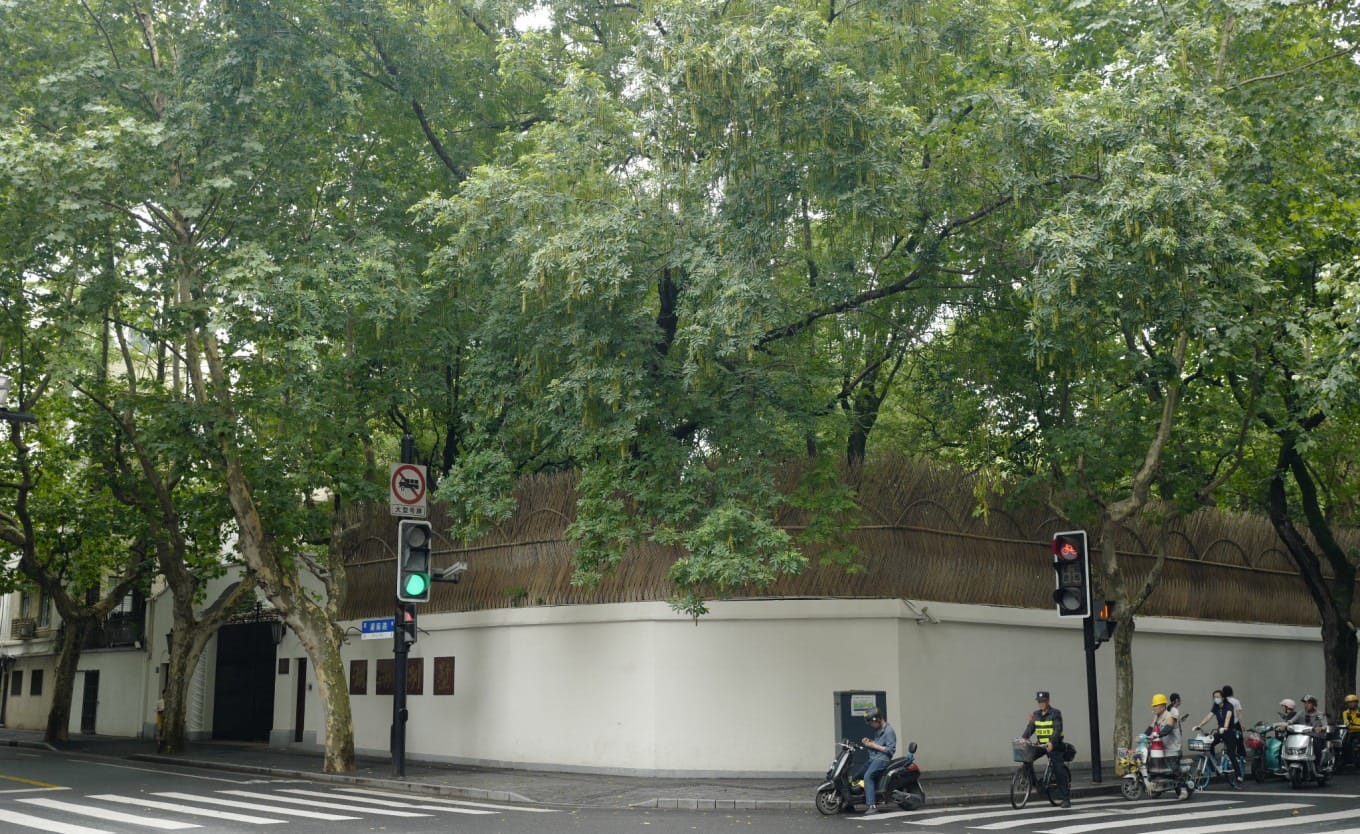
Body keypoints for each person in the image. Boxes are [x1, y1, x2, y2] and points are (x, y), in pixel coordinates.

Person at [1021, 690, 1071, 808]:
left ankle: (1065, 799)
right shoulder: (1036, 714)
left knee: (1059, 770)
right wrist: (1023, 739)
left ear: (1048, 701)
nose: (1041, 704)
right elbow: (1030, 728)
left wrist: (1052, 742)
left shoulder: (1055, 713)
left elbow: (1057, 730)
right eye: (1039, 702)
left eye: (1043, 701)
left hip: (1054, 745)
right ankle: (1035, 784)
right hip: (1041, 745)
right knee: (1027, 758)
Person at [1191, 690, 1243, 787]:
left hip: (1229, 732)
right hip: (1220, 731)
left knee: (1231, 754)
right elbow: (1209, 716)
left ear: (1223, 697)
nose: (1216, 698)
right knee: (1208, 744)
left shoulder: (1229, 706)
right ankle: (1213, 766)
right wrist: (1199, 725)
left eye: (1218, 697)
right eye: (1214, 697)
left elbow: (1228, 717)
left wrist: (1226, 727)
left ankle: (1239, 776)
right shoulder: (1216, 706)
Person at [859, 708, 896, 815]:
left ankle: (872, 805)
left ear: (878, 719)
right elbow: (878, 744)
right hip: (875, 758)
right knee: (859, 775)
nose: (871, 724)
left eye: (872, 722)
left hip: (882, 759)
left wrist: (873, 745)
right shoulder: (878, 730)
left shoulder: (889, 731)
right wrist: (870, 742)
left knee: (868, 776)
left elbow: (890, 750)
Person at [1147, 693, 1183, 775]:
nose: (1154, 707)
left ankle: (1182, 785)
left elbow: (1168, 728)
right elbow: (1150, 727)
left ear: (1163, 706)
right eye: (1153, 705)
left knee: (1174, 773)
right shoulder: (1157, 717)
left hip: (1172, 749)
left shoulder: (1170, 716)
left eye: (1156, 705)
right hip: (1161, 748)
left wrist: (1158, 735)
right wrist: (1143, 736)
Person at [1300, 695, 1328, 767]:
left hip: (1316, 737)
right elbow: (1291, 721)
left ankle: (1317, 764)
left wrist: (1321, 728)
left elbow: (1325, 725)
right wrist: (1285, 725)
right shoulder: (1302, 713)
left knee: (1316, 742)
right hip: (1305, 737)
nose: (1306, 705)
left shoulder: (1319, 714)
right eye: (1305, 703)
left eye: (1309, 703)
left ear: (1314, 704)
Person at [1342, 694, 1360, 765]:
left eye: (1352, 702)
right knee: (1345, 744)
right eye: (1349, 703)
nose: (1350, 704)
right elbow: (1347, 724)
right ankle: (1348, 761)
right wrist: (1350, 726)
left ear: (1356, 702)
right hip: (1351, 732)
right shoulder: (1345, 713)